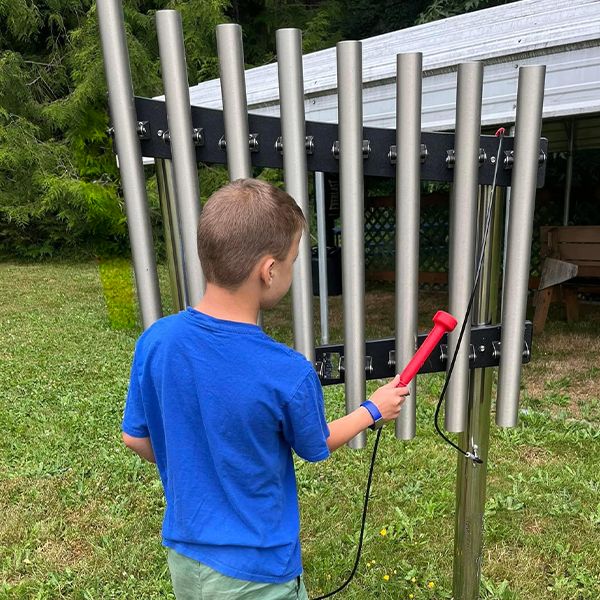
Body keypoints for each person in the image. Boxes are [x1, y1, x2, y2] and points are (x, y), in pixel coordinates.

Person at [122, 178, 408, 599]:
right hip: (260, 573)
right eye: (293, 260)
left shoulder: (156, 341)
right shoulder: (286, 371)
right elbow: (316, 444)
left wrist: (194, 466)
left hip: (187, 561)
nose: (292, 269)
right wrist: (373, 409)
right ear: (269, 271)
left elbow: (135, 437)